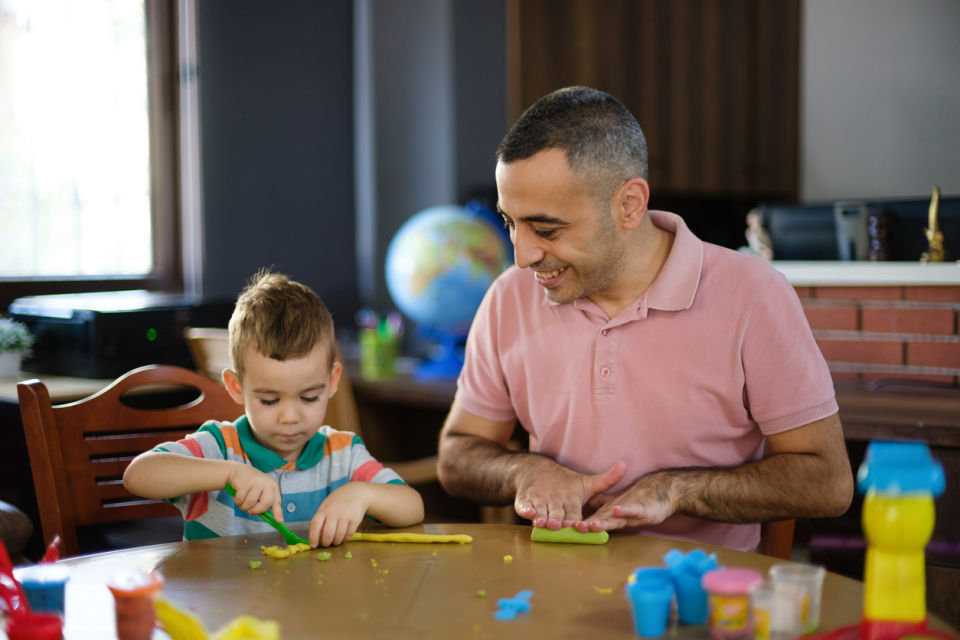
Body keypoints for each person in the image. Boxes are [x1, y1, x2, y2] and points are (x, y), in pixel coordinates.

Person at [436, 86, 853, 551]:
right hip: (553, 591)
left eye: (546, 229)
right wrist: (526, 469)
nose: (522, 256)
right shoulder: (508, 297)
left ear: (630, 205)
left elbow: (829, 482)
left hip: (704, 598)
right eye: (510, 222)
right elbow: (457, 457)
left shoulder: (754, 295)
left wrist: (675, 490)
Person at [124, 270, 424, 547]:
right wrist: (229, 475)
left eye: (309, 398)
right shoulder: (219, 447)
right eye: (269, 400)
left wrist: (363, 493)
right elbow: (138, 475)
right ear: (236, 387)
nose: (290, 417)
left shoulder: (343, 455)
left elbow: (413, 507)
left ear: (332, 382)